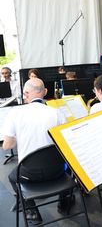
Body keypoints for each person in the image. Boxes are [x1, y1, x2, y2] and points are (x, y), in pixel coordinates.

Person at [2, 78, 67, 225]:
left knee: (13, 177)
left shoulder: (15, 113)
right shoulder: (57, 113)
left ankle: (32, 211)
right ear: (44, 92)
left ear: (26, 94)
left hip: (29, 174)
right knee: (68, 167)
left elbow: (7, 146)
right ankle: (64, 202)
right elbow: (66, 142)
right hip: (57, 171)